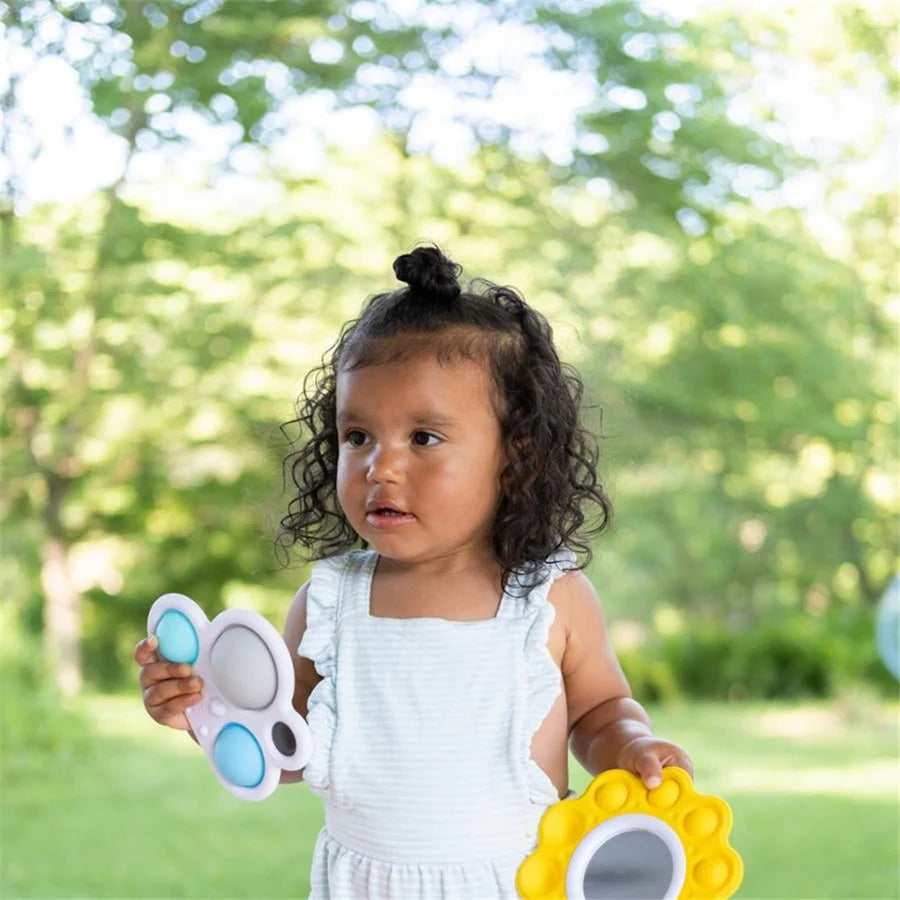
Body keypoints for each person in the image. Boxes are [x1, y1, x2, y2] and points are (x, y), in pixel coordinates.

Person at [135, 244, 693, 899]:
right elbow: (288, 744)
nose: (381, 467)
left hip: (515, 880)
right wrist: (204, 710)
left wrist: (629, 744)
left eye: (423, 438)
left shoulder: (549, 598)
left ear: (516, 458)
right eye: (357, 437)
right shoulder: (329, 603)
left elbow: (599, 708)